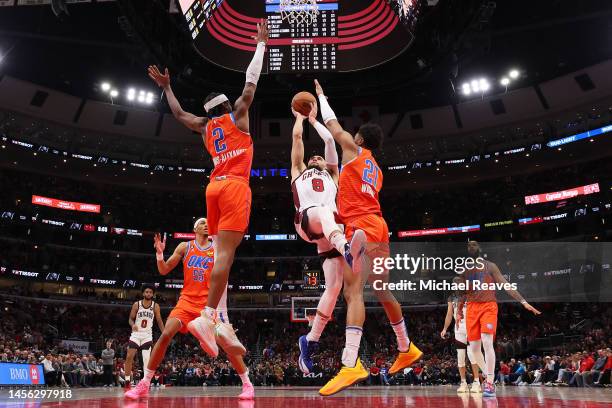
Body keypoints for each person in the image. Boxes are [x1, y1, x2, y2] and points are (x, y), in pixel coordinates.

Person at [147, 20, 269, 356]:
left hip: (212, 188)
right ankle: (210, 316)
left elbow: (179, 113)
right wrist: (260, 46)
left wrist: (167, 87)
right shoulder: (238, 115)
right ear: (228, 106)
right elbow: (250, 83)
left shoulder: (205, 126)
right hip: (234, 188)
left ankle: (219, 318)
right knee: (226, 255)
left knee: (220, 254)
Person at [312, 79, 422, 396]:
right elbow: (346, 183)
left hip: (358, 226)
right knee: (383, 290)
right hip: (379, 224)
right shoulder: (375, 168)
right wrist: (327, 169)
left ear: (359, 138)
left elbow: (333, 126)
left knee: (353, 292)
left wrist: (322, 97)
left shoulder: (353, 149)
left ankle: (351, 365)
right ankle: (406, 347)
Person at [125, 218, 254, 400]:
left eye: (209, 223)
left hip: (208, 304)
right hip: (186, 301)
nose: (206, 225)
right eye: (202, 222)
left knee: (225, 343)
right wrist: (160, 254)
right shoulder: (184, 247)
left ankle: (247, 384)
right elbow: (163, 270)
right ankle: (145, 383)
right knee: (165, 334)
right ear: (194, 228)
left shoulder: (216, 248)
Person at [290, 106, 366, 374]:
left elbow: (330, 141)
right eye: (312, 158)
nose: (315, 158)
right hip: (307, 221)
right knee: (323, 212)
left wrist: (315, 120)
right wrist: (300, 119)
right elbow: (298, 140)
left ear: (328, 165)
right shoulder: (299, 170)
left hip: (329, 231)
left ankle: (309, 342)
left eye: (320, 158)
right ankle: (347, 248)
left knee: (333, 287)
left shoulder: (334, 175)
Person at [463, 240, 541, 397]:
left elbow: (505, 284)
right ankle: (488, 376)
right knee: (474, 349)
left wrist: (523, 302)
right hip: (471, 308)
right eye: (469, 245)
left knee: (486, 341)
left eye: (474, 244)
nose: (471, 246)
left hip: (488, 307)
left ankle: (490, 382)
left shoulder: (490, 266)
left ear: (479, 248)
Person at [440, 282, 482, 393]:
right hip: (459, 329)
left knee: (472, 355)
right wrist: (445, 328)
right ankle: (463, 383)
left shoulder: (472, 295)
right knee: (460, 357)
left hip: (471, 327)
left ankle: (476, 382)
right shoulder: (452, 297)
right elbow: (449, 314)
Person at [124, 284, 164, 388]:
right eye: (146, 292)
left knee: (146, 359)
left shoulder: (155, 306)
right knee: (129, 357)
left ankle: (146, 382)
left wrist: (164, 333)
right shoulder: (137, 304)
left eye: (150, 292)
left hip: (147, 335)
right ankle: (127, 380)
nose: (148, 293)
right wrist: (133, 325)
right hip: (136, 334)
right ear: (143, 293)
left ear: (153, 294)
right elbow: (130, 319)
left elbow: (159, 321)